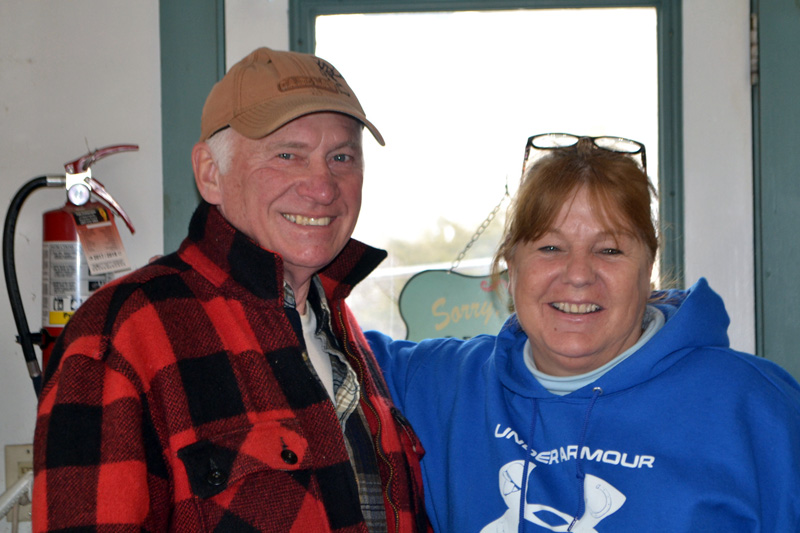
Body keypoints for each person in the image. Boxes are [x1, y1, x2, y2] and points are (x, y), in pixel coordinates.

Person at [32, 47, 430, 533]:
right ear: (209, 173)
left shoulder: (340, 326)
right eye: (288, 155)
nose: (323, 187)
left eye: (341, 156)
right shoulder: (121, 334)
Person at [367, 133, 800, 532]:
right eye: (550, 247)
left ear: (647, 270)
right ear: (510, 267)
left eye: (609, 250)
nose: (577, 275)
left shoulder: (756, 406)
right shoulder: (433, 385)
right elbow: (307, 334)